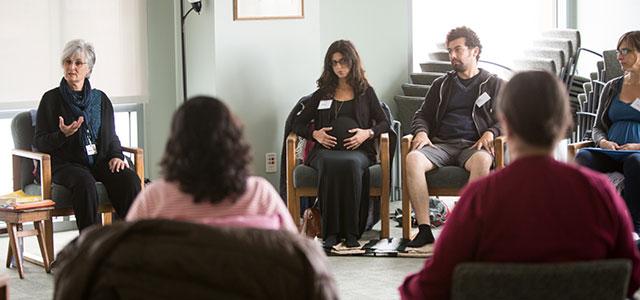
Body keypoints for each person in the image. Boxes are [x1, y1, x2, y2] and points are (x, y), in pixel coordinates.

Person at [399, 70, 640, 300]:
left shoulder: (481, 197)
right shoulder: (600, 193)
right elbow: (630, 276)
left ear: (505, 121)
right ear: (565, 121)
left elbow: (431, 288)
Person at [126, 96, 297, 232]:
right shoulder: (260, 194)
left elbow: (125, 259)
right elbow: (298, 255)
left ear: (176, 144)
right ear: (233, 140)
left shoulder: (155, 198)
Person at [404, 26, 504, 247]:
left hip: (473, 146)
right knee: (412, 159)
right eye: (450, 51)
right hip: (441, 145)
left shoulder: (495, 84)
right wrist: (421, 131)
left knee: (483, 160)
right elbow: (422, 115)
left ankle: (465, 228)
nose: (453, 56)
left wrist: (491, 132)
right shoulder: (441, 84)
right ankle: (424, 229)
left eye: (458, 50)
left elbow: (507, 119)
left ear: (475, 51)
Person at [292, 40, 391, 248]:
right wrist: (315, 134)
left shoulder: (366, 92)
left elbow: (385, 122)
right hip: (324, 152)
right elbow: (297, 122)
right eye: (334, 63)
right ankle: (331, 232)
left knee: (351, 164)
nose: (339, 67)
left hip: (358, 152)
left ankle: (352, 232)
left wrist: (367, 133)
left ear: (352, 62)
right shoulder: (322, 94)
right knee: (330, 163)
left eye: (343, 62)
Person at [35, 39, 141, 231]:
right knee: (85, 182)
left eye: (78, 63)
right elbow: (39, 142)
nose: (72, 67)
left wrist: (116, 156)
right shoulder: (50, 99)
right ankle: (90, 247)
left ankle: (132, 240)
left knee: (129, 179)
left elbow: (112, 136)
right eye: (67, 62)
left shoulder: (100, 99)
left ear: (89, 69)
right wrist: (62, 135)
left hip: (99, 161)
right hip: (65, 164)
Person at [575, 30, 640, 233]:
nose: (619, 57)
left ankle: (633, 227)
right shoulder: (612, 87)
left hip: (636, 153)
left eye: (626, 51)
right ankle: (588, 223)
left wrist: (637, 146)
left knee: (635, 162)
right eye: (618, 51)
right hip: (610, 151)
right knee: (583, 156)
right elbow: (597, 127)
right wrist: (603, 142)